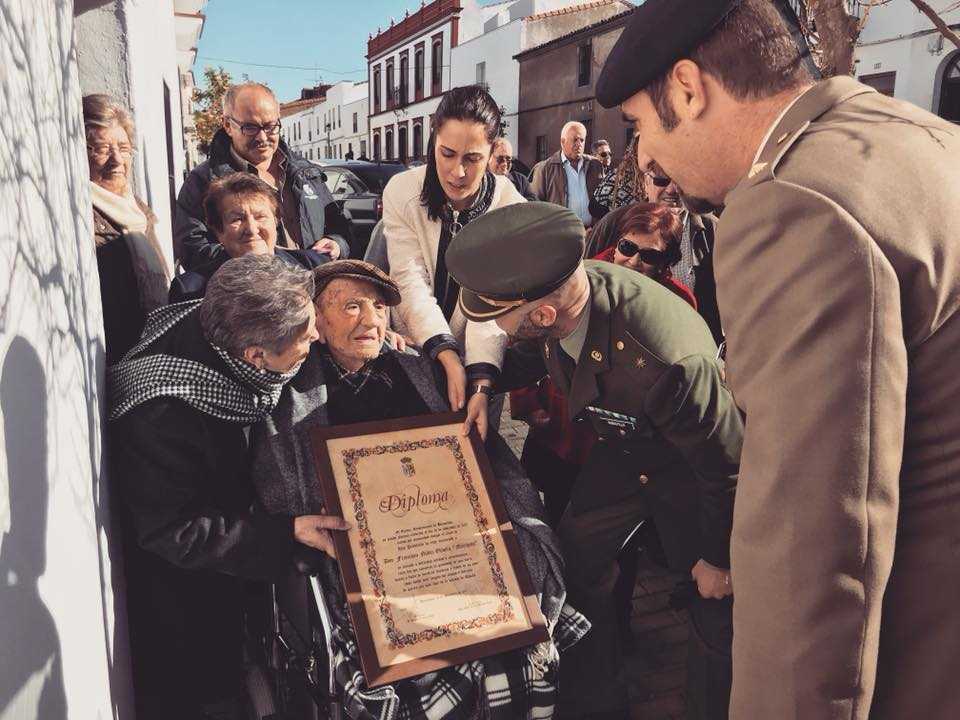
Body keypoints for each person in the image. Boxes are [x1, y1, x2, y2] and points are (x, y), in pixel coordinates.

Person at [596, 0, 960, 718]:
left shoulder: (792, 203)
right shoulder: (919, 133)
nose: (643, 158)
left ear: (689, 88)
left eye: (640, 124)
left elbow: (814, 550)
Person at [250, 259, 589, 719]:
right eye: (351, 306)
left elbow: (489, 461)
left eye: (378, 308)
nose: (370, 320)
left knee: (511, 639)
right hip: (369, 567)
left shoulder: (421, 371)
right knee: (415, 664)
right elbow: (283, 495)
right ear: (318, 320)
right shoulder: (291, 399)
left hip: (455, 547)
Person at [448, 202, 742, 720]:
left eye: (503, 318)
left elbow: (725, 466)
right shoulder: (569, 293)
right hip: (625, 454)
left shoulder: (665, 361)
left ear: (540, 315)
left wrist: (718, 556)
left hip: (691, 473)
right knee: (576, 567)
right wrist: (484, 383)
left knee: (712, 603)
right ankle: (597, 702)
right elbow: (528, 355)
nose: (500, 327)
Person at [107, 254, 350, 719]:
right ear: (255, 356)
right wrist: (284, 534)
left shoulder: (229, 328)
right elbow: (173, 531)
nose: (316, 336)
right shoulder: (163, 415)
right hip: (192, 603)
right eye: (306, 333)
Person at [511, 202, 694, 526]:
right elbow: (531, 339)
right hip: (565, 420)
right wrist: (528, 401)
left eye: (649, 256)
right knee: (553, 503)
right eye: (627, 247)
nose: (634, 261)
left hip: (625, 437)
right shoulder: (580, 278)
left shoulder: (676, 301)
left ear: (666, 260)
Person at [383, 84, 525, 439]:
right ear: (433, 140)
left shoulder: (511, 207)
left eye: (472, 158)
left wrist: (480, 380)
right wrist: (444, 354)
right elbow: (409, 279)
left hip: (483, 361)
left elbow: (491, 302)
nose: (457, 172)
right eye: (447, 153)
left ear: (493, 151)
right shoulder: (401, 190)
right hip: (412, 352)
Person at [174, 82, 351, 269]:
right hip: (248, 295)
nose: (262, 137)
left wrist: (337, 244)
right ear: (227, 125)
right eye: (250, 128)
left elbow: (341, 228)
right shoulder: (205, 182)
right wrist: (269, 264)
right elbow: (192, 250)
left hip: (312, 291)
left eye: (270, 126)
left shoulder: (306, 173)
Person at [83, 94, 170, 365]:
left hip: (152, 356)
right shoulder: (84, 216)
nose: (116, 160)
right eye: (100, 148)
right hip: (120, 364)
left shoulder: (137, 212)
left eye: (123, 147)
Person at [170, 173, 334, 302]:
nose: (251, 229)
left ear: (276, 221)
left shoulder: (316, 269)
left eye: (260, 216)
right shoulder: (190, 290)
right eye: (237, 219)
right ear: (219, 231)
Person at [529, 121, 604, 227]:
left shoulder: (595, 165)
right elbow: (535, 207)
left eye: (582, 140)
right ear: (562, 141)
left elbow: (604, 199)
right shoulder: (544, 169)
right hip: (562, 236)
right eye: (575, 140)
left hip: (593, 233)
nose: (579, 144)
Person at [589, 134, 646, 220]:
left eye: (610, 154)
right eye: (604, 154)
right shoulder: (616, 174)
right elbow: (594, 207)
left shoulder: (615, 172)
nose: (608, 157)